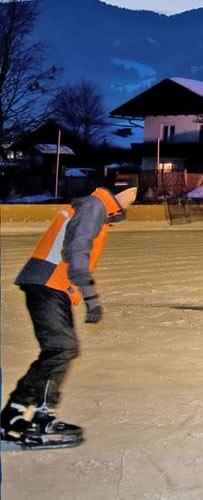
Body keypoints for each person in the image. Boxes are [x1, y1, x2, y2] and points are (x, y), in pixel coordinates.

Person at [1, 183, 137, 449]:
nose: (135, 197)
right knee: (61, 348)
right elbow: (76, 251)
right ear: (120, 191)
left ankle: (28, 413)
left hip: (51, 284)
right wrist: (91, 297)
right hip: (49, 282)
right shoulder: (95, 205)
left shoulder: (95, 207)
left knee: (61, 349)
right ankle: (29, 415)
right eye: (133, 191)